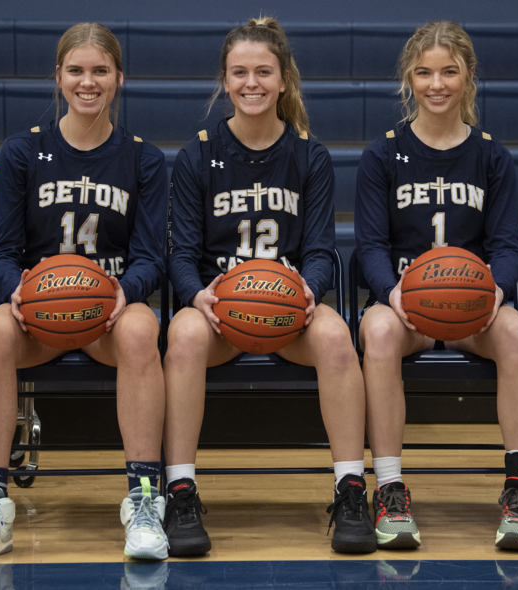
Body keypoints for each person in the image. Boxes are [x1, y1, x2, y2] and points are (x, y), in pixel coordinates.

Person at [0, 22, 169, 563]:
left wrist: (128, 292)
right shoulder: (23, 152)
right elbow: (1, 253)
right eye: (76, 70)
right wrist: (18, 293)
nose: (87, 82)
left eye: (100, 71)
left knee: (143, 326)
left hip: (108, 313)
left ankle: (145, 498)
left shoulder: (143, 159)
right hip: (40, 314)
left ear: (119, 78)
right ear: (58, 76)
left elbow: (152, 257)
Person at [164, 17, 375, 556]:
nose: (250, 83)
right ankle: (180, 491)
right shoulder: (198, 155)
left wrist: (310, 291)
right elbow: (182, 254)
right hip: (221, 310)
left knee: (335, 338)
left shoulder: (309, 155)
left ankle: (352, 490)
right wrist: (198, 295)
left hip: (287, 308)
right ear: (225, 80)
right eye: (239, 72)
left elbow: (321, 249)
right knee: (183, 335)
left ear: (284, 80)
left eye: (263, 71)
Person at [355, 21, 518, 551]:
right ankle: (389, 489)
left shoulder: (490, 155)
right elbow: (369, 244)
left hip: (471, 310)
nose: (436, 84)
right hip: (406, 304)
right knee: (380, 333)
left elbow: (506, 246)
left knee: (515, 334)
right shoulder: (383, 154)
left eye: (448, 72)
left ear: (468, 77)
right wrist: (393, 292)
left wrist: (493, 294)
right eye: (424, 72)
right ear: (409, 79)